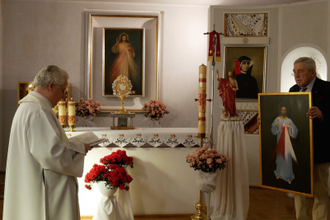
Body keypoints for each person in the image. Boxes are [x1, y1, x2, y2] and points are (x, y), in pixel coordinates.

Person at [3, 65, 92, 220]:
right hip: (44, 188)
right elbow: (51, 154)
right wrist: (80, 147)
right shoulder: (38, 111)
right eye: (63, 90)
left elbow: (44, 146)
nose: (63, 96)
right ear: (51, 86)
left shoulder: (27, 107)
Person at [290, 57, 330, 220]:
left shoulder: (327, 89)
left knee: (320, 192)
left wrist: (322, 114)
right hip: (298, 150)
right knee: (300, 191)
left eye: (301, 71)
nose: (297, 75)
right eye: (294, 72)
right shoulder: (293, 89)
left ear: (312, 72)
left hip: (320, 149)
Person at [271, 103, 298, 184]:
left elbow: (295, 131)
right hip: (279, 141)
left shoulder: (289, 121)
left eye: (284, 110)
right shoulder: (278, 119)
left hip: (287, 143)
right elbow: (273, 130)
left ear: (286, 111)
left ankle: (288, 176)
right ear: (280, 111)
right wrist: (277, 125)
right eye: (282, 110)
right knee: (280, 158)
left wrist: (291, 127)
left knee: (287, 158)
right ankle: (279, 173)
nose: (283, 111)